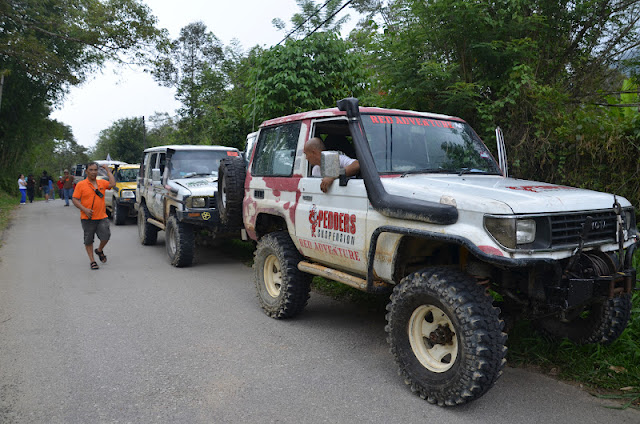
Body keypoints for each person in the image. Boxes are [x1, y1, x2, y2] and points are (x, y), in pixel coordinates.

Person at [72, 162, 115, 270]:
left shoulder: (101, 183)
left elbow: (113, 184)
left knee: (106, 236)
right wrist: (84, 209)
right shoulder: (81, 185)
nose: (93, 172)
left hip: (102, 216)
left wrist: (108, 170)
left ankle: (99, 250)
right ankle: (92, 261)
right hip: (87, 218)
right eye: (91, 170)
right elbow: (75, 199)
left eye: (95, 170)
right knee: (88, 240)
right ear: (86, 171)